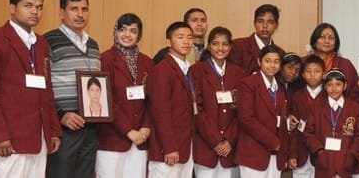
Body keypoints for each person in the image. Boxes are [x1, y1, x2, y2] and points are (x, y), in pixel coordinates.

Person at [0, 0, 61, 177]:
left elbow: (47, 91)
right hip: (10, 140)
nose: (35, 12)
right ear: (13, 8)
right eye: (28, 5)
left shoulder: (41, 44)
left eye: (39, 7)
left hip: (39, 139)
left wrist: (53, 130)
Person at [44, 0, 101, 178]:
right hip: (64, 127)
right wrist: (60, 115)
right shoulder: (48, 41)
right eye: (73, 9)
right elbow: (43, 87)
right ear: (61, 13)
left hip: (91, 126)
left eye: (84, 9)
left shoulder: (93, 44)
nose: (80, 14)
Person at [96, 13, 153, 178]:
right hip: (112, 139)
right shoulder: (105, 60)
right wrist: (128, 131)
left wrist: (146, 127)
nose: (127, 35)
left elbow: (153, 100)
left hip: (141, 139)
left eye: (133, 31)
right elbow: (106, 99)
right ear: (115, 32)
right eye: (123, 30)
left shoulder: (147, 62)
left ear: (139, 36)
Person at [190, 26, 247, 178]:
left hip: (231, 149)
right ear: (209, 46)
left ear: (230, 47)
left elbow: (243, 112)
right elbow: (197, 110)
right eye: (215, 43)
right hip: (205, 146)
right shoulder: (197, 71)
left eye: (225, 44)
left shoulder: (239, 73)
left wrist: (229, 139)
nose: (220, 48)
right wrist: (216, 141)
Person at [235, 45, 296, 177]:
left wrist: (284, 151)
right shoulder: (248, 84)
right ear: (259, 61)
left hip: (276, 155)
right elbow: (246, 119)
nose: (272, 65)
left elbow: (280, 118)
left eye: (276, 62)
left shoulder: (280, 88)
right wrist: (273, 141)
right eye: (267, 61)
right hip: (254, 153)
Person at [146, 22, 197, 178]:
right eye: (180, 37)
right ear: (169, 41)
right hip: (168, 149)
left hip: (186, 145)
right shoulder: (162, 70)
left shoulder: (189, 69)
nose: (186, 42)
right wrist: (169, 147)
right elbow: (161, 112)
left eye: (189, 37)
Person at [303, 70, 359, 177]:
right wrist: (319, 151)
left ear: (345, 86)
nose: (334, 89)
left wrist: (352, 154)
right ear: (325, 87)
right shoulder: (316, 107)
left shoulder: (354, 107)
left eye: (338, 85)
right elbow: (308, 133)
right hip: (324, 161)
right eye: (330, 85)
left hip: (345, 161)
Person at [289, 57, 327, 178]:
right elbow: (293, 128)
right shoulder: (296, 96)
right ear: (303, 75)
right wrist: (292, 154)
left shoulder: (329, 95)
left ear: (324, 74)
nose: (312, 75)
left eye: (317, 71)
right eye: (308, 71)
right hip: (301, 151)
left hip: (323, 151)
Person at [303, 23, 359, 99]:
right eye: (322, 37)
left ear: (336, 43)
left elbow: (354, 92)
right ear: (314, 41)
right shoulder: (304, 62)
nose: (327, 41)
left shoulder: (345, 64)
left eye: (331, 38)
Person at [227, 4, 287, 74]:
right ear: (254, 23)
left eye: (270, 22)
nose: (265, 26)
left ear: (276, 25)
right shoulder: (238, 46)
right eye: (260, 21)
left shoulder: (281, 53)